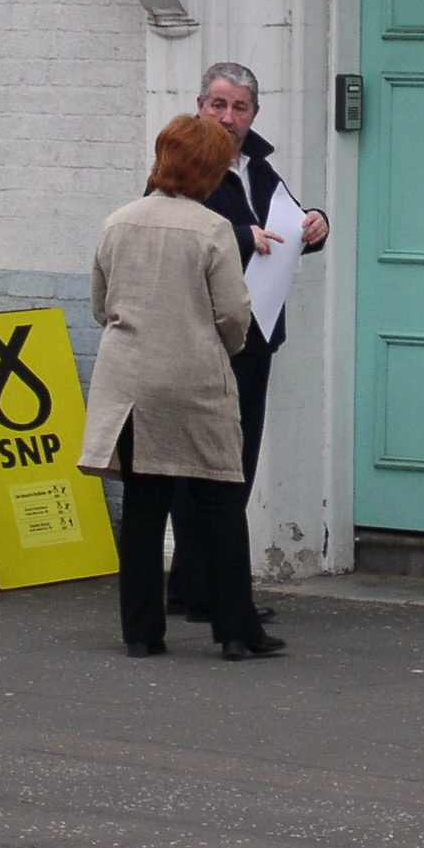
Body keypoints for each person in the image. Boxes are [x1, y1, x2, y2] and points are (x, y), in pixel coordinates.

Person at [80, 115, 285, 660]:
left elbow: (100, 305)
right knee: (219, 500)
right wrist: (224, 344)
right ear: (208, 171)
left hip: (129, 382)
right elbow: (235, 315)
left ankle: (142, 633)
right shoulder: (212, 229)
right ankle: (237, 630)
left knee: (145, 506)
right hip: (194, 378)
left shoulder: (117, 222)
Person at [165, 61, 329, 624]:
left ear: (254, 113)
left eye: (239, 107)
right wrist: (240, 236)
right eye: (218, 104)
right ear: (199, 106)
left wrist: (315, 224)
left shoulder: (259, 168)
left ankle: (198, 584)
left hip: (254, 336)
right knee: (201, 466)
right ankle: (204, 591)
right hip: (203, 335)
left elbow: (284, 226)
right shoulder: (183, 165)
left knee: (237, 463)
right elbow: (172, 234)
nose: (228, 117)